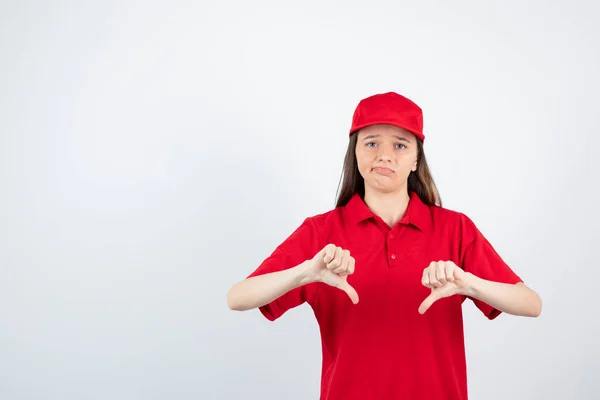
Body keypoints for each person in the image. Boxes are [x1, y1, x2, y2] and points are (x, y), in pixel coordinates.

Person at [226, 91, 542, 400]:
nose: (385, 154)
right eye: (372, 142)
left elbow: (530, 304)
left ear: (417, 159)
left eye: (400, 144)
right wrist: (306, 273)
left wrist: (469, 283)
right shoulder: (321, 232)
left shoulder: (454, 229)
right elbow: (237, 297)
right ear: (355, 153)